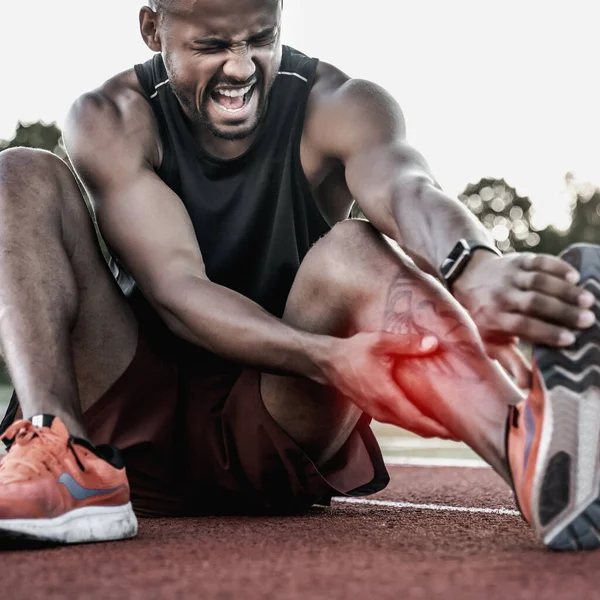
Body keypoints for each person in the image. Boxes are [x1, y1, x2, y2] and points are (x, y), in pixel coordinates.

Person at [0, 0, 597, 550]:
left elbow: (406, 188)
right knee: (18, 174)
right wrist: (325, 358)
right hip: (128, 418)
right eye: (212, 45)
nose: (241, 68)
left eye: (262, 38)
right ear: (153, 29)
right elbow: (179, 288)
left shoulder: (339, 104)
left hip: (274, 417)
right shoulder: (112, 117)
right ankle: (62, 455)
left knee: (354, 249)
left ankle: (538, 457)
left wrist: (474, 266)